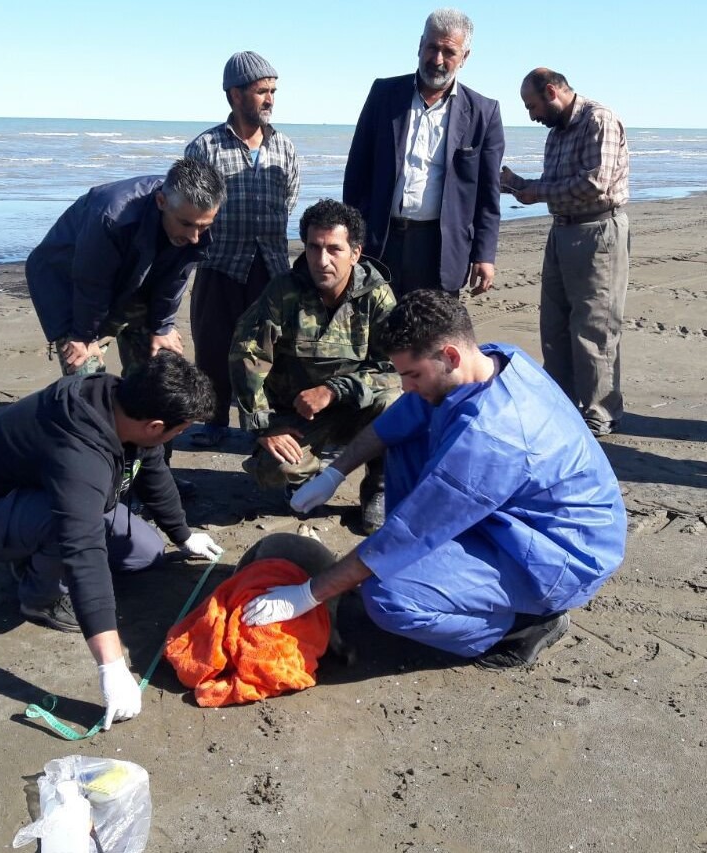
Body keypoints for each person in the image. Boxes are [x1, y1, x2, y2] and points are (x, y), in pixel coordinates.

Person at [240, 291, 626, 669]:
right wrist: (335, 472)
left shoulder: (490, 439)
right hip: (514, 514)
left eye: (412, 374)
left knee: (386, 596)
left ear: (451, 356)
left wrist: (307, 595)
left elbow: (408, 533)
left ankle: (522, 628)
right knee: (409, 435)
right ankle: (436, 573)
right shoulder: (493, 358)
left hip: (558, 554)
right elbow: (397, 420)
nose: (405, 386)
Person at [0, 352, 222, 727]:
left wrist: (183, 535)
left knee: (146, 554)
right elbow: (83, 550)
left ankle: (33, 554)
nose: (178, 435)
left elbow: (152, 471)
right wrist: (112, 667)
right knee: (67, 533)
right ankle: (40, 598)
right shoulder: (78, 453)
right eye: (179, 430)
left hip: (49, 495)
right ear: (155, 425)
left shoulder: (126, 402)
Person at [228, 199, 400, 534]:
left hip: (355, 410)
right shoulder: (283, 291)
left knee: (396, 403)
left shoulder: (377, 297)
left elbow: (393, 369)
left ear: (355, 252)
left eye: (334, 249)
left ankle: (378, 488)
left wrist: (335, 390)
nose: (322, 261)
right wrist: (265, 426)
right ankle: (308, 474)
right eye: (313, 247)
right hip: (296, 416)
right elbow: (246, 355)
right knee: (276, 469)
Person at [500, 68, 630, 437]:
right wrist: (517, 186)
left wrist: (537, 192)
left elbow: (594, 183)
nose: (532, 115)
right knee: (554, 325)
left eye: (533, 105)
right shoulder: (556, 134)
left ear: (553, 92)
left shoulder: (598, 119)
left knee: (594, 326)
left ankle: (600, 412)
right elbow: (556, 186)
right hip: (562, 230)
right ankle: (560, 404)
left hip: (597, 231)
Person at [342, 8, 504, 298]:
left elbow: (487, 196)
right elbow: (357, 173)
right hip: (381, 241)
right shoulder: (383, 95)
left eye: (448, 51)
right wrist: (352, 236)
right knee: (377, 335)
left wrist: (484, 255)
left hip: (441, 250)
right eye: (432, 47)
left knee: (433, 338)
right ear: (420, 45)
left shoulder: (484, 112)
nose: (438, 59)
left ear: (464, 57)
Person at [185, 51, 300, 449]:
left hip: (270, 267)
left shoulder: (283, 146)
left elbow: (288, 199)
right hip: (219, 264)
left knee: (269, 352)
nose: (270, 99)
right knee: (213, 348)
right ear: (235, 95)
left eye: (273, 91)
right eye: (261, 91)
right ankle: (214, 421)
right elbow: (192, 205)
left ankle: (261, 424)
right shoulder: (206, 147)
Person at [25, 158, 225, 378]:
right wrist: (85, 336)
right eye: (186, 224)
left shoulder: (195, 219)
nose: (195, 237)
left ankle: (134, 406)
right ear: (161, 201)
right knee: (86, 378)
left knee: (159, 372)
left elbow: (176, 277)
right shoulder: (112, 215)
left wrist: (162, 327)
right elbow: (91, 282)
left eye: (204, 226)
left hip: (134, 280)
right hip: (69, 282)